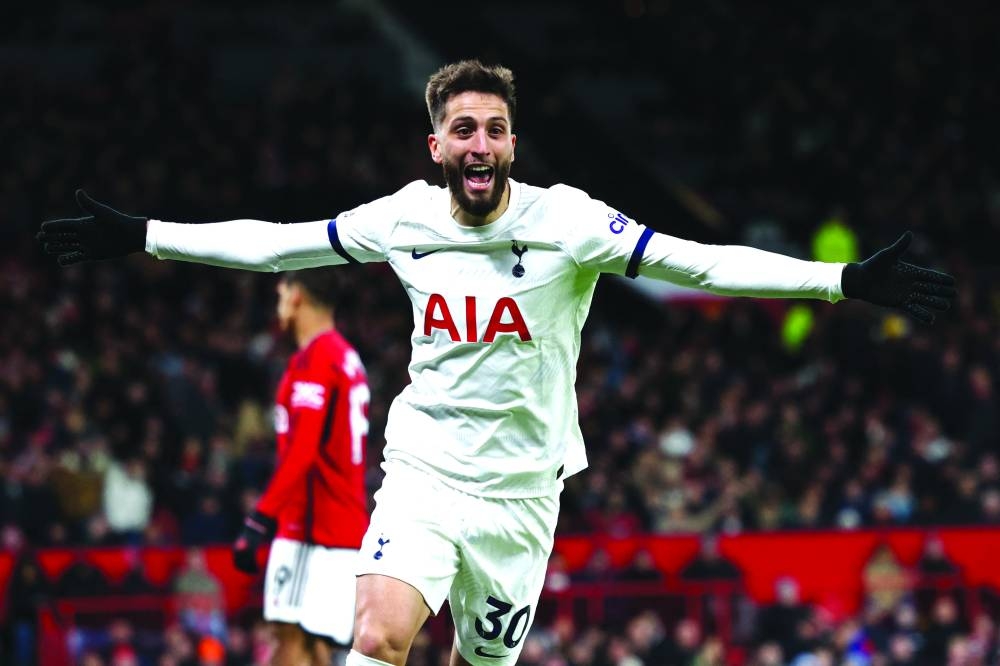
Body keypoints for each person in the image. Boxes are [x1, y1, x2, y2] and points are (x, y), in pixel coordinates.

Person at [37, 59, 957, 666]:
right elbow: (277, 245)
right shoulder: (404, 220)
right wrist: (144, 235)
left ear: (513, 142)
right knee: (379, 631)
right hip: (426, 471)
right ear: (436, 146)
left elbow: (700, 262)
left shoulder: (568, 224)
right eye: (463, 130)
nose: (480, 145)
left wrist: (839, 281)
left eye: (495, 129)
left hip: (522, 496)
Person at [230, 269, 370, 665]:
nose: (278, 303)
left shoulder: (316, 358)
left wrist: (261, 518)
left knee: (287, 643)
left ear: (296, 296)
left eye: (281, 292)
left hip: (311, 529)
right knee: (318, 648)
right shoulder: (345, 355)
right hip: (340, 525)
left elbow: (303, 450)